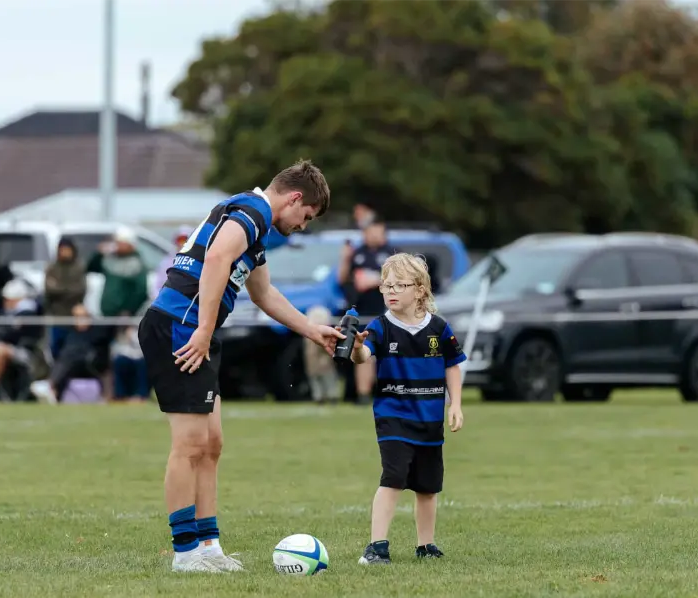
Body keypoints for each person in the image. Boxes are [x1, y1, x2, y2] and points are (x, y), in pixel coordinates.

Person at [137, 159, 343, 573]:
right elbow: (215, 260)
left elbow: (264, 294)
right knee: (190, 445)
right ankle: (184, 553)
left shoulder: (256, 225)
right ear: (295, 198)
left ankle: (209, 546)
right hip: (181, 326)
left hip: (196, 329)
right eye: (306, 216)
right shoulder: (253, 212)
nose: (303, 225)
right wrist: (202, 329)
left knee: (212, 444)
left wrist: (311, 330)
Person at [348, 253, 466, 566]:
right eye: (386, 285)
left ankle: (426, 546)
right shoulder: (380, 327)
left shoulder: (439, 329)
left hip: (429, 420)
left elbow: (453, 365)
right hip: (394, 417)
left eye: (399, 285)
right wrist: (357, 347)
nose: (391, 291)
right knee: (394, 478)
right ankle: (376, 547)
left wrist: (455, 404)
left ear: (420, 290)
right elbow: (363, 356)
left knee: (428, 487)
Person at [338, 217, 397, 402]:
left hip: (386, 314)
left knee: (389, 355)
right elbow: (342, 279)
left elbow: (402, 279)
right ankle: (363, 395)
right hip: (361, 314)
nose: (373, 235)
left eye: (376, 230)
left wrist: (375, 279)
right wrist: (345, 258)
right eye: (369, 231)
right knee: (363, 352)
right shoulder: (357, 253)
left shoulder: (392, 254)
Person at [44, 237, 87, 359]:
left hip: (74, 315)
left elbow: (80, 290)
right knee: (55, 347)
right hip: (56, 314)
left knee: (73, 348)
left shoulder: (78, 267)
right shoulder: (52, 267)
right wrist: (68, 289)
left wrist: (60, 288)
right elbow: (49, 289)